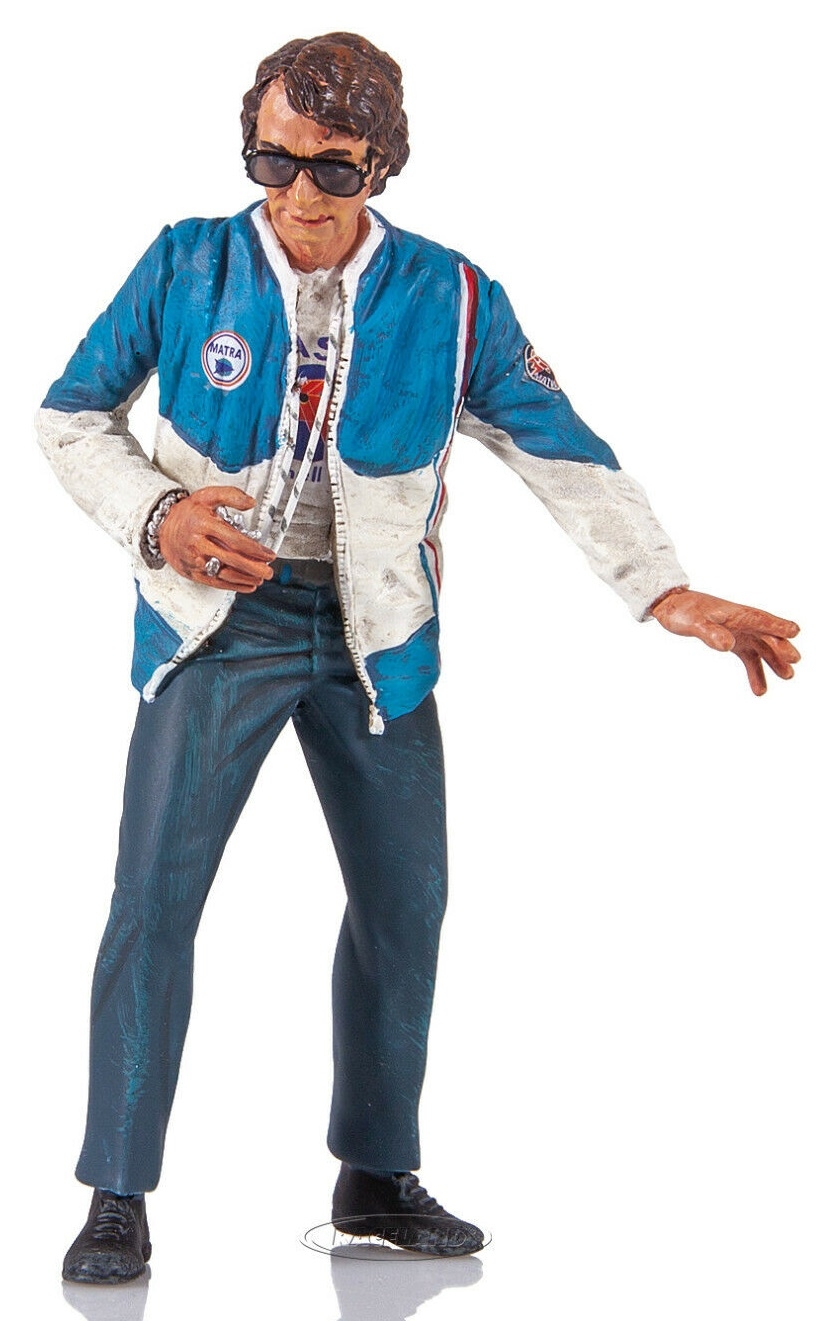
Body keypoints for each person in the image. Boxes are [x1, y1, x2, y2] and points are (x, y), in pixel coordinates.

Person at [37, 32, 800, 1284]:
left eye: (330, 169)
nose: (297, 194)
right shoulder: (185, 262)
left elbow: (555, 442)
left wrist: (661, 586)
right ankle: (116, 1188)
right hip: (219, 628)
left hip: (376, 639)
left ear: (379, 164)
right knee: (154, 901)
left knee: (404, 904)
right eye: (271, 161)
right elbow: (71, 413)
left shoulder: (449, 296)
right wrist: (156, 515)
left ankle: (376, 1174)